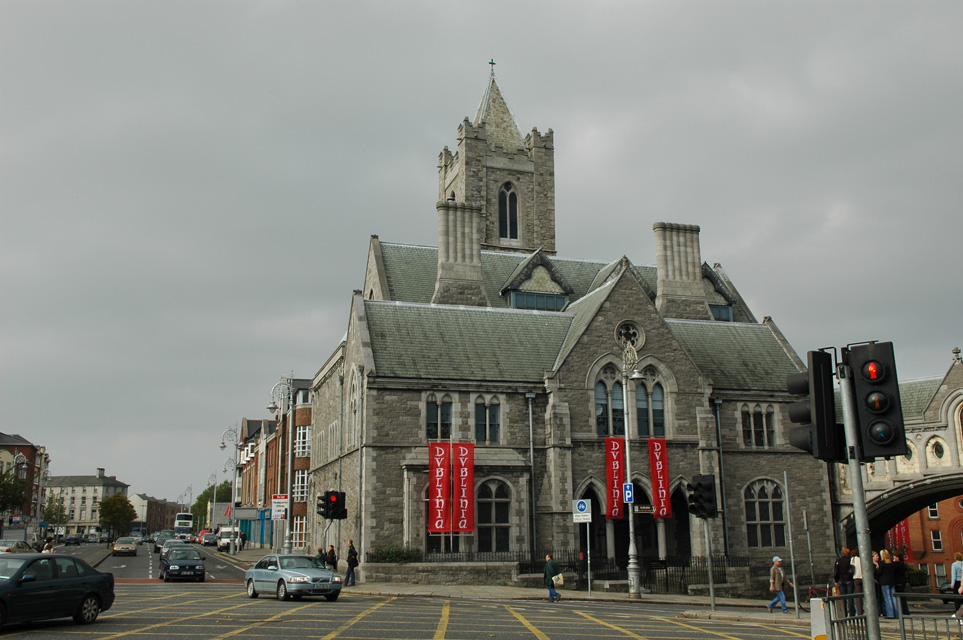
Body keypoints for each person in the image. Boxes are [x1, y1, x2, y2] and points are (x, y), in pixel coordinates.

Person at [834, 547, 856, 617]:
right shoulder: (850, 560)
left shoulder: (838, 560)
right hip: (849, 580)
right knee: (850, 597)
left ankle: (844, 613)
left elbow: (836, 571)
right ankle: (852, 613)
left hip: (841, 580)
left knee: (843, 597)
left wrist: (836, 580)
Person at [877, 549, 897, 618]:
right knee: (893, 598)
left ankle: (890, 614)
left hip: (884, 582)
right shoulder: (892, 564)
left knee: (887, 598)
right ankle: (896, 614)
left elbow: (879, 573)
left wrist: (877, 568)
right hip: (892, 581)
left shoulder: (882, 563)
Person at [851, 548, 864, 616]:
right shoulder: (863, 558)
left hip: (856, 577)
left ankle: (860, 612)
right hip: (864, 577)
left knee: (858, 596)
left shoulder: (853, 559)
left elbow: (852, 569)